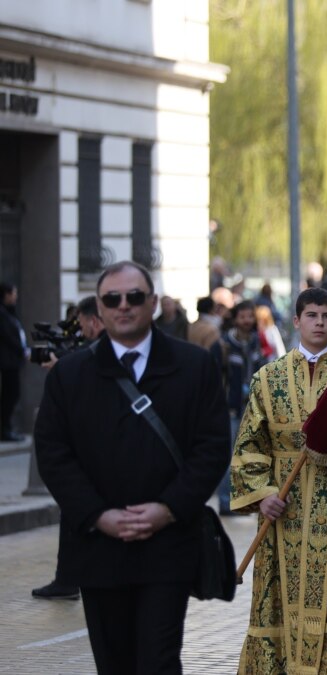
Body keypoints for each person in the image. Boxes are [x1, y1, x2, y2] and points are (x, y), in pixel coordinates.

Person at [35, 261, 229, 674]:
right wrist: (97, 515)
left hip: (169, 543)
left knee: (158, 661)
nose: (124, 307)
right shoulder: (69, 376)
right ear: (99, 310)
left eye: (135, 297)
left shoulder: (195, 366)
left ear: (153, 303)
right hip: (99, 547)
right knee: (114, 664)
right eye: (112, 299)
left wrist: (169, 508)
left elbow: (211, 448)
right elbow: (53, 454)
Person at [230, 288, 327, 674]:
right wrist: (262, 495)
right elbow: (249, 445)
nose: (320, 323)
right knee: (280, 598)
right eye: (312, 316)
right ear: (296, 321)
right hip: (283, 507)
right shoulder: (269, 377)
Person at [32, 295, 106, 601]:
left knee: (78, 514)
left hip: (90, 449)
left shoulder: (94, 354)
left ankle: (69, 580)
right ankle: (70, 578)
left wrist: (60, 371)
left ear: (92, 320)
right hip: (98, 449)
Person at [213, 301, 267, 515]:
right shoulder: (224, 345)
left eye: (250, 316)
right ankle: (225, 502)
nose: (247, 321)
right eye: (242, 316)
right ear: (235, 318)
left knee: (250, 453)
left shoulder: (255, 342)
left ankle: (247, 498)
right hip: (231, 409)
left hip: (252, 406)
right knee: (229, 456)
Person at [0, 282, 26, 441]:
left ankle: (7, 428)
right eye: (13, 293)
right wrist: (22, 349)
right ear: (6, 294)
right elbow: (8, 337)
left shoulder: (9, 313)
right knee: (10, 394)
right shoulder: (2, 314)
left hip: (12, 361)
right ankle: (5, 429)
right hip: (7, 362)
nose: (16, 296)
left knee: (12, 394)